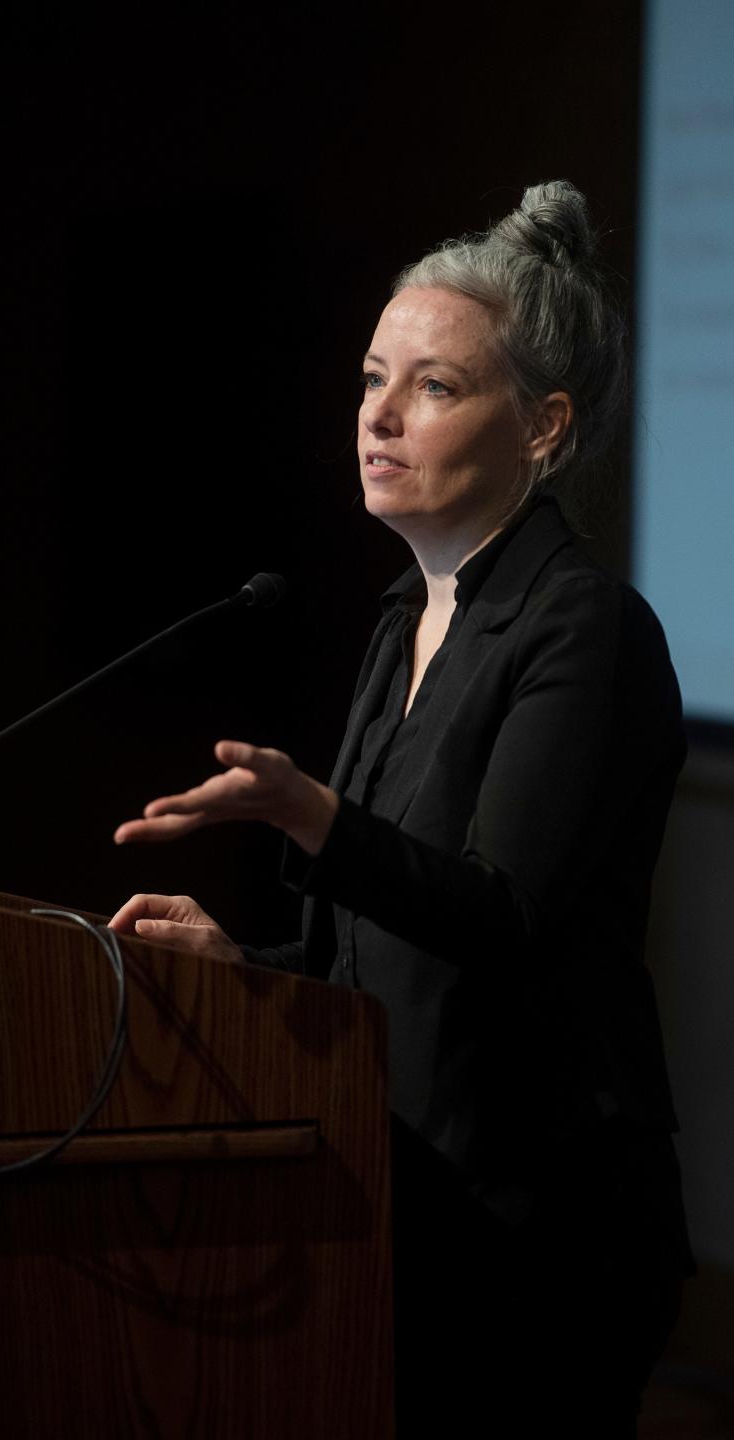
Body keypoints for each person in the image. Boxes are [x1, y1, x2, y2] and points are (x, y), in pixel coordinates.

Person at [109, 181, 692, 1437]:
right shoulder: (401, 620)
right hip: (401, 1196)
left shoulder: (585, 629)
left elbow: (504, 918)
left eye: (432, 387)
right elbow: (374, 966)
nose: (377, 416)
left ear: (543, 426)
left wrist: (315, 818)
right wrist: (246, 969)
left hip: (539, 1232)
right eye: (374, 377)